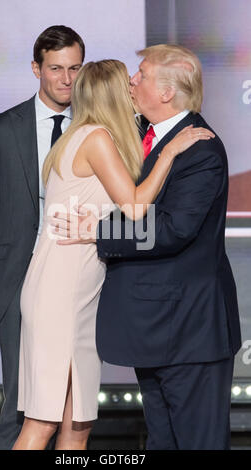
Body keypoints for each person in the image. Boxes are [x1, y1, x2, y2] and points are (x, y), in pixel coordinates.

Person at [12, 57, 214, 450]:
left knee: (77, 424)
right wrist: (171, 151)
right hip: (62, 291)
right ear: (113, 93)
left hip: (79, 291)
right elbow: (136, 207)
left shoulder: (90, 133)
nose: (135, 87)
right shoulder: (95, 137)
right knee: (43, 421)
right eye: (129, 82)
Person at [51, 44, 242, 450]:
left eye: (141, 75)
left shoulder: (201, 148)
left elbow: (173, 228)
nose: (132, 82)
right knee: (162, 441)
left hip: (188, 330)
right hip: (151, 328)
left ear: (168, 92)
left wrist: (98, 232)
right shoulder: (138, 134)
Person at [0, 25, 85, 450]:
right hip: (20, 281)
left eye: (75, 69)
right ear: (36, 69)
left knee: (74, 413)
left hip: (83, 282)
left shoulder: (96, 125)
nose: (67, 79)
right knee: (22, 406)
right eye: (56, 69)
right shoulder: (3, 128)